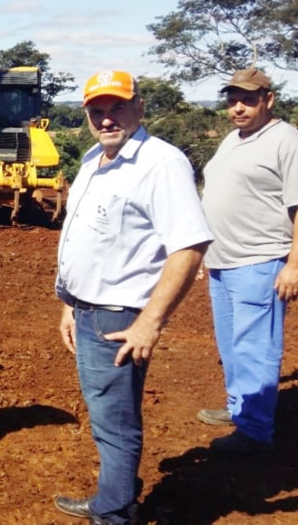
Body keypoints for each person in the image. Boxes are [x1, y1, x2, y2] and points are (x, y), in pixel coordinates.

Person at [53, 70, 213, 524]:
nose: (106, 119)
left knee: (114, 420)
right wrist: (70, 301)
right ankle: (116, 493)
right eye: (97, 111)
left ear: (139, 108)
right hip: (87, 309)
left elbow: (190, 244)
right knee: (108, 412)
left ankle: (115, 511)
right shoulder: (92, 160)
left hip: (118, 317)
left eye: (117, 108)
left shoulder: (160, 163)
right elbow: (88, 239)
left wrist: (150, 322)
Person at [197, 68, 298, 453]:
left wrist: (296, 264)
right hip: (222, 261)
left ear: (268, 99)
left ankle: (256, 431)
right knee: (231, 343)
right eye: (232, 100)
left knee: (256, 346)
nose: (238, 108)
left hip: (261, 261)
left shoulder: (288, 142)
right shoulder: (232, 139)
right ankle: (239, 408)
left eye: (247, 99)